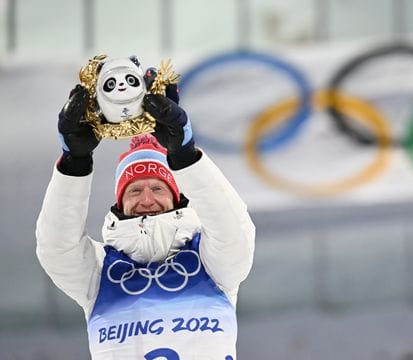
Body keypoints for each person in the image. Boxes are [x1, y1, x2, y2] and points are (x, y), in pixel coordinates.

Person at [35, 70, 255, 359]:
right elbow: (57, 248)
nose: (147, 198)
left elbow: (234, 231)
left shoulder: (211, 261)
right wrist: (74, 164)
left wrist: (185, 157)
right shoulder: (99, 274)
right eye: (134, 191)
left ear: (177, 196)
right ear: (119, 203)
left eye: (157, 187)